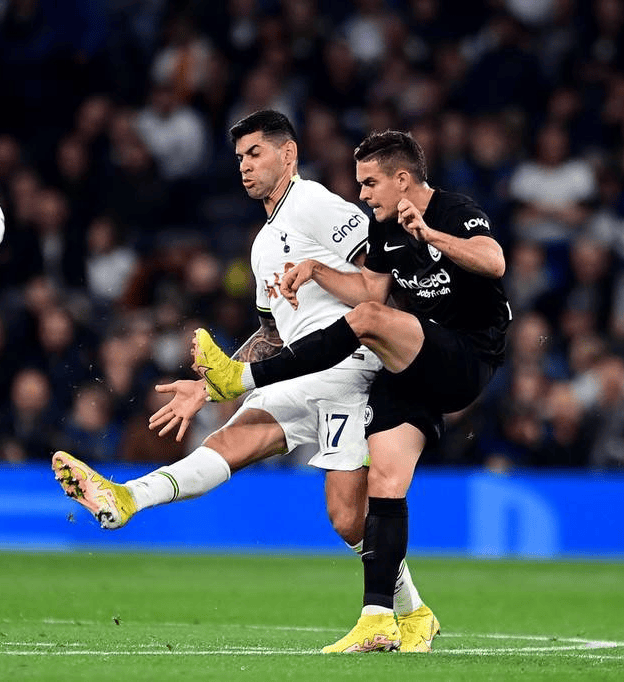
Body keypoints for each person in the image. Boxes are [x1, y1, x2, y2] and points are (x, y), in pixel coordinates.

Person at [52, 111, 438, 653]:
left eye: (255, 153)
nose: (244, 166)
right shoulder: (262, 245)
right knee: (228, 443)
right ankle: (126, 497)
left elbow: (382, 279)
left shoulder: (316, 203)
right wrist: (207, 386)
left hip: (348, 368)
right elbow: (270, 334)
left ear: (288, 154)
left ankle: (409, 612)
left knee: (347, 516)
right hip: (299, 371)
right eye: (238, 157)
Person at [192, 129, 510, 652]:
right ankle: (381, 618)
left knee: (366, 321)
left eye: (369, 184)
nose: (361, 195)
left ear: (402, 179)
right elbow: (370, 289)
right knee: (383, 483)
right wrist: (315, 269)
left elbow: (493, 262)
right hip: (413, 366)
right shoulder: (384, 228)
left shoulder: (454, 210)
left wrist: (431, 235)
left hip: (468, 355)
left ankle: (244, 379)